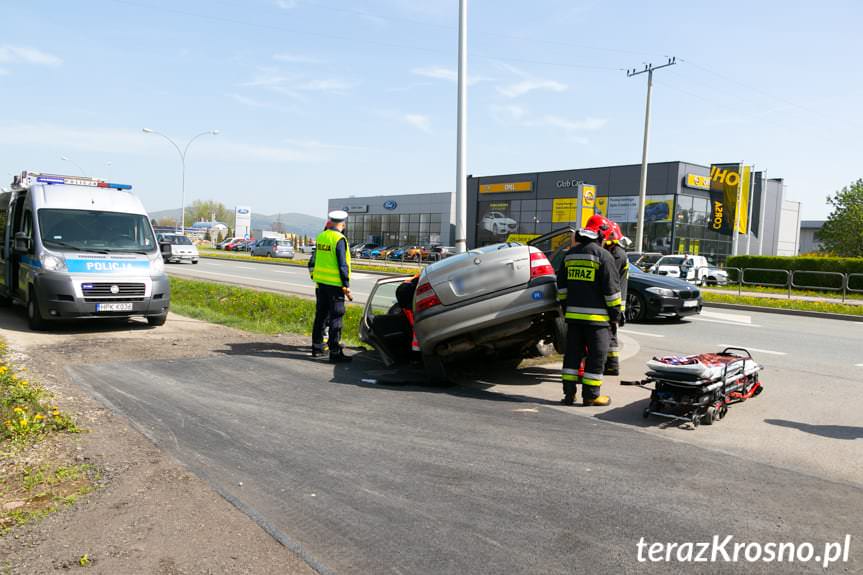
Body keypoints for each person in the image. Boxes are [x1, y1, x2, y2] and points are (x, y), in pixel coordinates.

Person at [557, 214, 622, 406]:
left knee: (572, 358)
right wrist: (615, 315)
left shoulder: (569, 256)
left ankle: (568, 395)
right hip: (597, 322)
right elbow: (611, 292)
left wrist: (567, 308)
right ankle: (591, 396)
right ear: (599, 239)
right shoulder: (604, 256)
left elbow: (561, 288)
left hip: (574, 320)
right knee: (596, 358)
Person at [309, 210, 352, 363]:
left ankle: (317, 348)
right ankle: (335, 351)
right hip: (335, 286)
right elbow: (342, 264)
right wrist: (346, 284)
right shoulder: (340, 239)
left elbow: (316, 259)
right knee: (336, 318)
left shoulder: (321, 236)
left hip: (321, 284)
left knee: (320, 316)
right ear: (343, 223)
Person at [603, 221, 629, 376]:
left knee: (611, 333)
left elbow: (610, 278)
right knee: (611, 332)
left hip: (616, 301)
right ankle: (611, 365)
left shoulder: (617, 254)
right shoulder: (616, 251)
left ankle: (612, 366)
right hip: (616, 299)